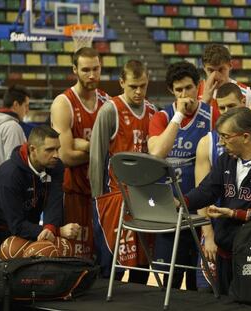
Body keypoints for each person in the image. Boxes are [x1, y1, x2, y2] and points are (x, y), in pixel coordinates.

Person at [184, 106, 251, 294]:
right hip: (225, 250)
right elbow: (206, 191)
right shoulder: (226, 159)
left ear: (246, 137)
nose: (221, 143)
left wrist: (235, 214)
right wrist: (180, 201)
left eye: (225, 136)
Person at [194, 82, 251, 290]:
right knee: (211, 291)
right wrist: (209, 235)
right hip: (220, 232)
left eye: (230, 107)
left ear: (243, 103)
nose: (225, 112)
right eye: (221, 108)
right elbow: (204, 192)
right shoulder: (209, 142)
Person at [148, 61, 216, 290]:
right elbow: (157, 153)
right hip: (170, 208)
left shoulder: (212, 115)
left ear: (199, 86)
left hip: (200, 207)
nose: (185, 94)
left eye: (189, 88)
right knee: (170, 281)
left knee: (198, 281)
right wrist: (177, 116)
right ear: (171, 91)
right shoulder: (162, 117)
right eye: (179, 90)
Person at [89, 60, 156, 283]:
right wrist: (98, 198)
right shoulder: (110, 110)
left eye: (143, 86)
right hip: (114, 196)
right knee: (112, 265)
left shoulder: (153, 111)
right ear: (121, 83)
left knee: (142, 263)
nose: (138, 92)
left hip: (143, 198)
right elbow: (97, 156)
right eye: (133, 86)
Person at [51, 47, 109, 259]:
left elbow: (114, 150)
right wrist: (97, 149)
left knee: (101, 257)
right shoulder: (63, 103)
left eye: (96, 69)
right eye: (85, 70)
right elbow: (65, 156)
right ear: (74, 70)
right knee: (75, 256)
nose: (92, 75)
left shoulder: (107, 102)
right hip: (73, 191)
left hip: (100, 191)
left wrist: (82, 145)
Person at [0, 125, 80, 253]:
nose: (56, 155)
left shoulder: (56, 167)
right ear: (32, 149)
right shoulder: (10, 175)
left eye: (57, 149)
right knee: (13, 251)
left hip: (30, 227)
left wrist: (50, 228)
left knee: (57, 248)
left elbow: (54, 202)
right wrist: (58, 231)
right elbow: (16, 226)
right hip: (4, 231)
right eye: (49, 150)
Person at [197, 43, 251, 111]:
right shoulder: (194, 92)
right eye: (211, 70)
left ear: (230, 65)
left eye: (221, 69)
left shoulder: (249, 96)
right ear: (204, 68)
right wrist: (204, 102)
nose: (216, 76)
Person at [0, 85, 29, 168]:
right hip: (5, 180)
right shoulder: (12, 127)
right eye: (26, 106)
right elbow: (14, 167)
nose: (27, 110)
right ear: (16, 104)